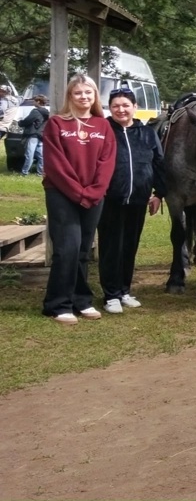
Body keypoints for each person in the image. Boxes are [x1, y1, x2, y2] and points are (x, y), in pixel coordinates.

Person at [41, 75, 116, 325]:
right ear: (70, 96)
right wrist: (78, 192)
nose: (84, 97)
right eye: (78, 93)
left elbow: (107, 163)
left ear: (95, 96)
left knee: (83, 250)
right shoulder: (56, 124)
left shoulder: (103, 126)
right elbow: (55, 165)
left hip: (93, 195)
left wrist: (93, 192)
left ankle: (81, 300)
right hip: (62, 194)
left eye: (88, 93)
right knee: (67, 249)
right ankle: (58, 304)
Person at [97, 87, 165, 314]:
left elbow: (158, 163)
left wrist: (159, 194)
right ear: (110, 108)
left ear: (135, 107)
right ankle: (111, 295)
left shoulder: (146, 133)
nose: (121, 110)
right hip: (110, 200)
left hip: (138, 199)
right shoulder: (104, 130)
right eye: (115, 105)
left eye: (126, 105)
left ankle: (124, 290)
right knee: (110, 248)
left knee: (129, 246)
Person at [19, 94, 50, 176]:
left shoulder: (36, 111)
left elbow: (27, 121)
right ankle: (40, 172)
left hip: (33, 135)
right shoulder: (47, 112)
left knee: (29, 154)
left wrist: (20, 123)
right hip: (41, 135)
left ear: (38, 102)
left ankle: (24, 172)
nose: (33, 102)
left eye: (34, 101)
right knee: (41, 155)